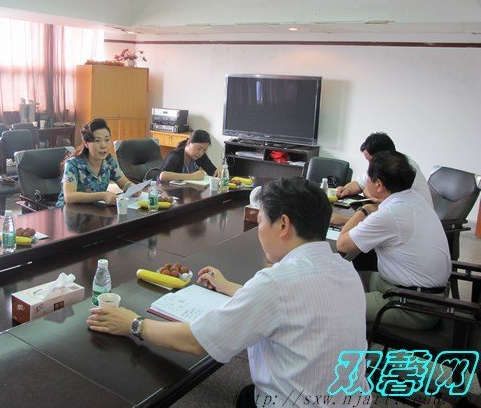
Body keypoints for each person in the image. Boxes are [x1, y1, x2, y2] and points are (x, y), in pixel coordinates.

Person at [87, 178, 370, 407]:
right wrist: (229, 287)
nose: (259, 230)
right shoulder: (345, 269)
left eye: (261, 221)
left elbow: (196, 341)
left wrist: (133, 323)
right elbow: (291, 305)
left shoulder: (276, 283)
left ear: (283, 225)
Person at [336, 151, 451, 329]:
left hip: (412, 306)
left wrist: (364, 209)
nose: (365, 181)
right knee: (347, 277)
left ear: (379, 185)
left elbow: (342, 244)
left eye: (368, 177)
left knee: (331, 305)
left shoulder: (391, 214)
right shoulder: (414, 199)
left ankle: (353, 339)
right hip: (419, 291)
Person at [335, 132, 432, 208]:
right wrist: (346, 190)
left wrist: (368, 192)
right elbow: (360, 184)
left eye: (371, 161)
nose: (370, 166)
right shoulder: (383, 166)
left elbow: (384, 201)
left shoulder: (403, 169)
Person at [56, 118, 136, 207]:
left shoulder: (109, 161)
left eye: (107, 140)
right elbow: (69, 197)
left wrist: (132, 188)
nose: (103, 145)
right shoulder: (73, 164)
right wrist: (103, 196)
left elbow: (124, 183)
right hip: (67, 211)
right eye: (97, 141)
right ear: (86, 143)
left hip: (94, 210)